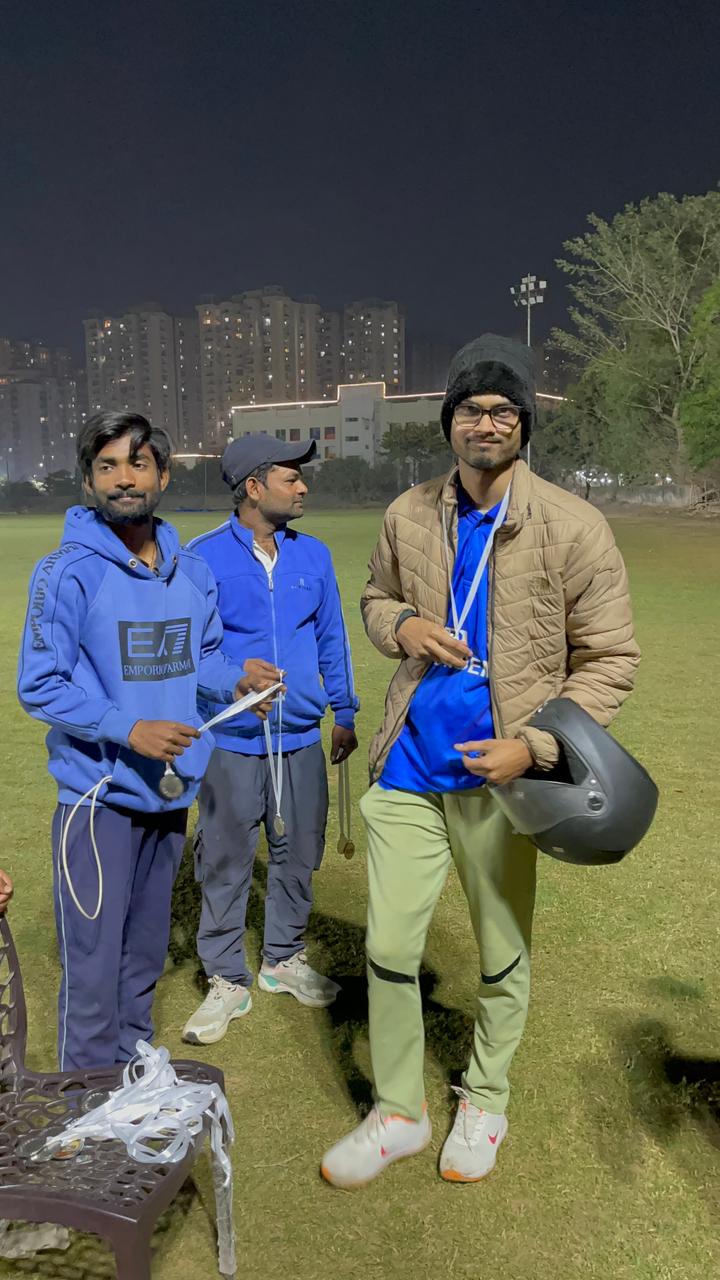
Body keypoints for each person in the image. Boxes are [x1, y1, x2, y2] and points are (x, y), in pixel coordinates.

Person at [321, 334, 640, 1187]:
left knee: (502, 953)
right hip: (408, 771)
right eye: (471, 409)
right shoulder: (407, 513)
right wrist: (404, 627)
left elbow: (610, 659)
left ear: (525, 423)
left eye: (503, 410)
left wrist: (533, 747)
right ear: (449, 422)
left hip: (504, 785)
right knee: (390, 949)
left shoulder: (574, 526)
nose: (486, 423)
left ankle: (486, 1098)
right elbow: (376, 597)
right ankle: (399, 1113)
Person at [17, 412, 277, 1070]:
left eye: (138, 464)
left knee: (142, 958)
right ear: (88, 481)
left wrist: (237, 680)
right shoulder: (66, 573)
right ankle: (87, 1101)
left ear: (163, 476)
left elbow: (203, 661)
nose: (124, 478)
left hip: (168, 798)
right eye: (107, 466)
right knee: (93, 967)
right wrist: (128, 728)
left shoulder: (192, 573)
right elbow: (39, 685)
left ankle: (132, 1084)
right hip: (97, 800)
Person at [182, 434, 359, 1045]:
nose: (303, 487)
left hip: (301, 737)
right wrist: (235, 679)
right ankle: (225, 978)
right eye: (291, 478)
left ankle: (282, 959)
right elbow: (191, 652)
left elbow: (332, 636)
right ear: (253, 487)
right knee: (225, 861)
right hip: (233, 741)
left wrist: (344, 709)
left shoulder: (315, 555)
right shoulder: (201, 559)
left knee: (299, 854)